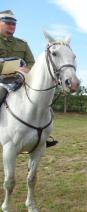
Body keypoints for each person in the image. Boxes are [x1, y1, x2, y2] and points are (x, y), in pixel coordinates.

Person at [0, 10, 57, 147]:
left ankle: (42, 135)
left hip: (20, 79)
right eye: (8, 23)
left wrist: (26, 69)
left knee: (44, 103)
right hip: (1, 80)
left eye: (14, 24)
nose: (12, 26)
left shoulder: (22, 44)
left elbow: (32, 63)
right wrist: (10, 68)